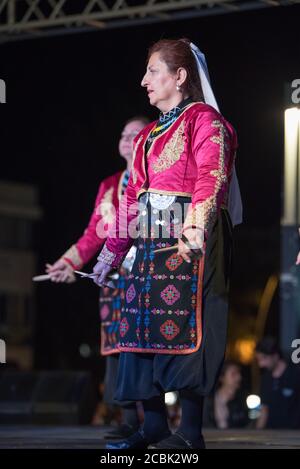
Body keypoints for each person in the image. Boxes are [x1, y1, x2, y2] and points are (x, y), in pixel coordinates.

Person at [93, 38, 242, 449]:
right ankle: (154, 424)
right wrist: (112, 251)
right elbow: (131, 199)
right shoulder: (146, 137)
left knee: (186, 328)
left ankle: (190, 433)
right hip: (150, 243)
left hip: (190, 239)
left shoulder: (205, 120)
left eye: (153, 71)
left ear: (179, 76)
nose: (144, 81)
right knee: (142, 327)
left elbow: (211, 175)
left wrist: (195, 226)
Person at [45, 116, 149, 439]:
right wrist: (67, 262)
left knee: (148, 344)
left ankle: (154, 419)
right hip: (114, 275)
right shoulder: (109, 185)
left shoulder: (156, 176)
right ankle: (127, 418)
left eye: (135, 133)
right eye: (123, 133)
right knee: (118, 347)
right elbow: (94, 233)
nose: (127, 137)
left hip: (148, 271)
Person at [255, 336, 300, 429]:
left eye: (264, 358)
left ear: (275, 356)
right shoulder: (265, 379)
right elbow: (264, 409)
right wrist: (257, 434)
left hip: (293, 436)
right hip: (271, 436)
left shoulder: (295, 374)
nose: (261, 364)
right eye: (259, 360)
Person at [203, 361, 249, 429]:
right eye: (233, 374)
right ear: (222, 377)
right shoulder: (208, 400)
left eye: (239, 373)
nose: (239, 377)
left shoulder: (242, 400)